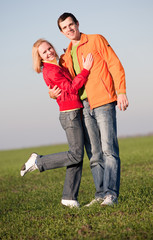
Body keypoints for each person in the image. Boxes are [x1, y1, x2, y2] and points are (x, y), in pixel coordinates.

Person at [49, 13, 129, 206]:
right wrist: (52, 94)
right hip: (83, 107)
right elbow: (64, 84)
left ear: (77, 24)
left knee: (109, 149)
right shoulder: (65, 57)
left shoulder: (96, 40)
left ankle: (111, 195)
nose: (69, 29)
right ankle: (100, 194)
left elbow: (114, 64)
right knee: (94, 154)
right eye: (64, 28)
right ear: (61, 32)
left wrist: (121, 91)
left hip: (103, 101)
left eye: (71, 25)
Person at [20, 39, 93, 208]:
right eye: (44, 52)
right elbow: (72, 88)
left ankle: (69, 197)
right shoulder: (51, 71)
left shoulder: (57, 66)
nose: (49, 52)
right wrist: (86, 70)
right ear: (39, 57)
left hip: (74, 111)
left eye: (49, 48)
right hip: (70, 114)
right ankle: (38, 162)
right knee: (75, 155)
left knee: (76, 158)